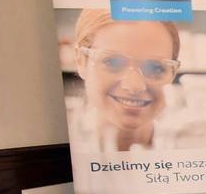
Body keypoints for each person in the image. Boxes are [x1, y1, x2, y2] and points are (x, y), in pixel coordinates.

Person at [70, 9, 181, 152]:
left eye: (155, 68)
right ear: (81, 60)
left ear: (173, 73)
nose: (134, 86)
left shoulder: (188, 149)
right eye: (112, 62)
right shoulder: (66, 150)